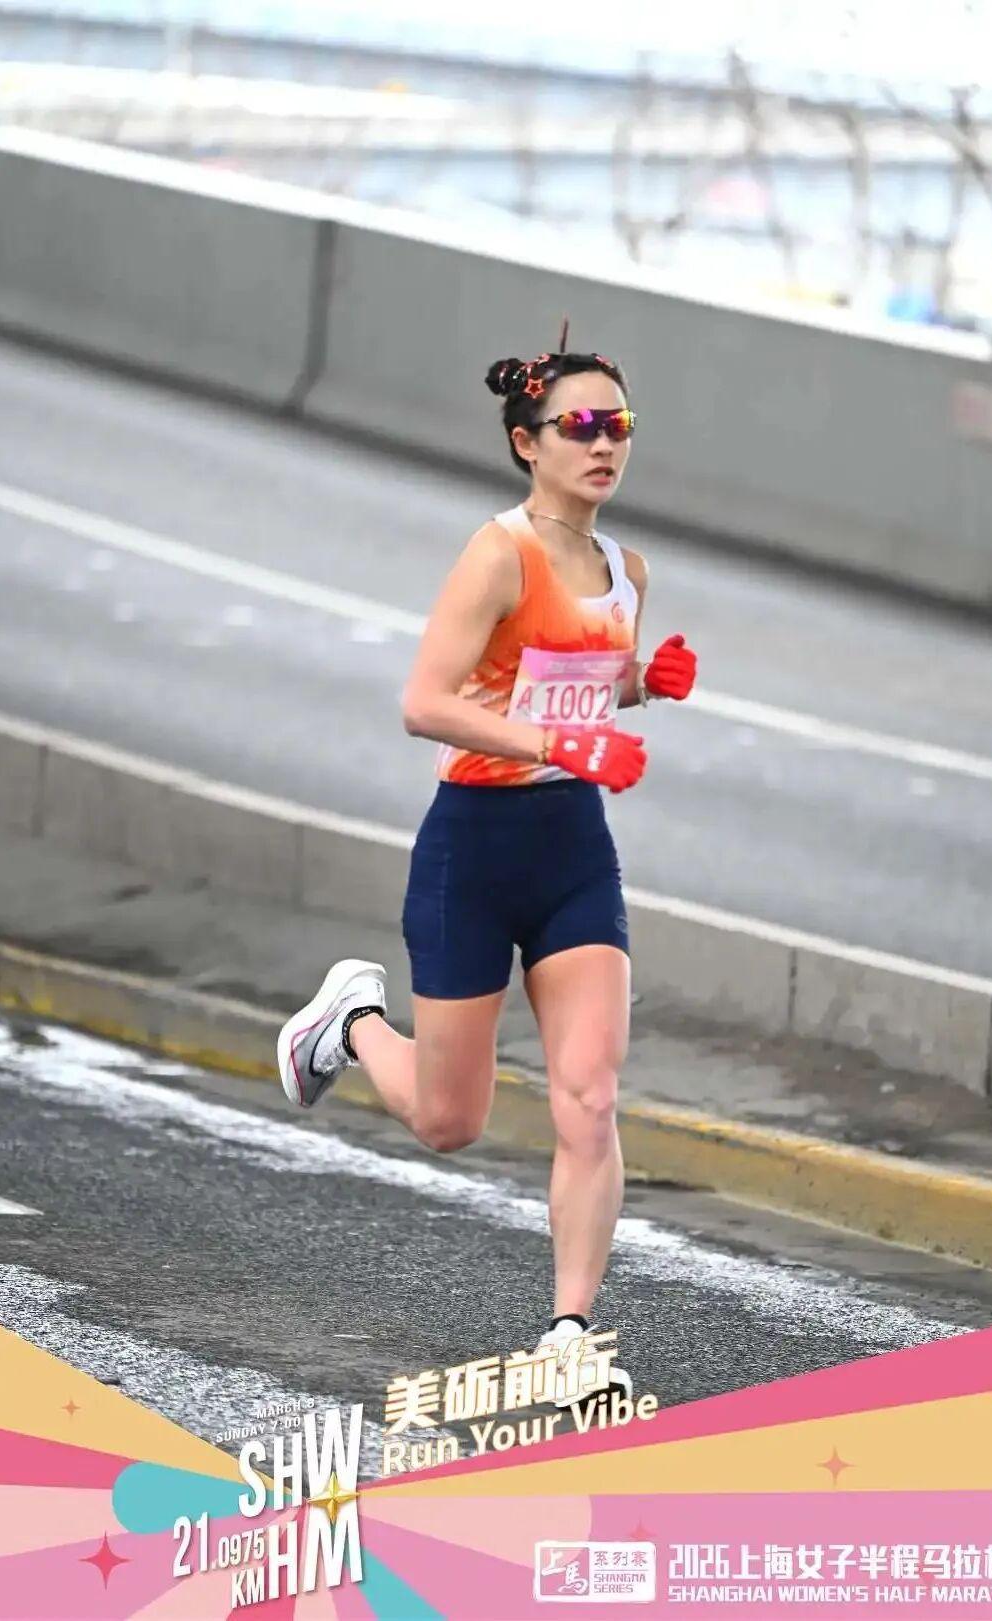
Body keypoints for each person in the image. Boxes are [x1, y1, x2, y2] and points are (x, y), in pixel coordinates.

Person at [277, 329, 697, 1406]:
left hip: (573, 852)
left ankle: (569, 1331)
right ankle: (352, 1022)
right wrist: (565, 742)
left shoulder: (627, 571)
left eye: (618, 425)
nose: (604, 444)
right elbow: (427, 702)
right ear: (527, 442)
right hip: (472, 844)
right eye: (579, 425)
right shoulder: (497, 553)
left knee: (589, 1096)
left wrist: (645, 682)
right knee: (447, 1122)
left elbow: (578, 685)